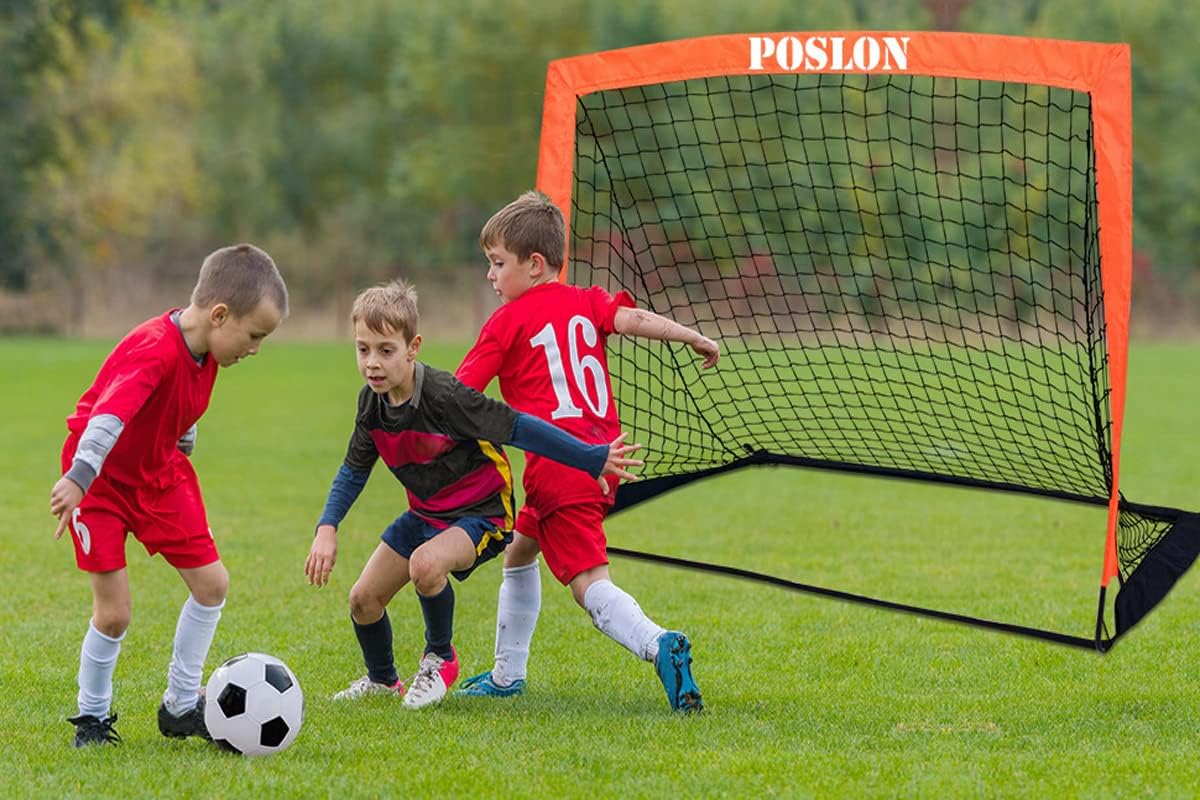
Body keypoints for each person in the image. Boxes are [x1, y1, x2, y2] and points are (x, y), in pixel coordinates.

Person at [303, 279, 642, 709]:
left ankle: (439, 659)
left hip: (481, 513)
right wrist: (326, 528)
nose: (372, 363)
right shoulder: (371, 404)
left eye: (385, 350)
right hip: (427, 513)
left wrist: (589, 457)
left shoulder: (445, 398)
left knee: (426, 566)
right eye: (363, 349)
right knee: (363, 600)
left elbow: (520, 427)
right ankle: (382, 680)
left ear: (413, 347)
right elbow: (353, 470)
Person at [453, 190, 720, 713]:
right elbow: (636, 320)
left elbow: (460, 395)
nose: (490, 276)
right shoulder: (587, 300)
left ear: (533, 265)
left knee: (588, 585)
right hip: (603, 458)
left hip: (559, 467)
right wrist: (692, 337)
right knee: (520, 550)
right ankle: (508, 675)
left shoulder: (506, 323)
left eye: (497, 263)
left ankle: (657, 642)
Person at [49, 244, 288, 748]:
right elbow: (108, 417)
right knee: (114, 615)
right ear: (220, 315)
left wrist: (183, 437)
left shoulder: (207, 351)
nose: (255, 348)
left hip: (160, 475)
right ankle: (91, 718)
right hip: (102, 481)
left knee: (212, 584)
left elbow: (179, 406)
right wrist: (78, 478)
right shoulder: (153, 347)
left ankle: (181, 705)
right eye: (254, 335)